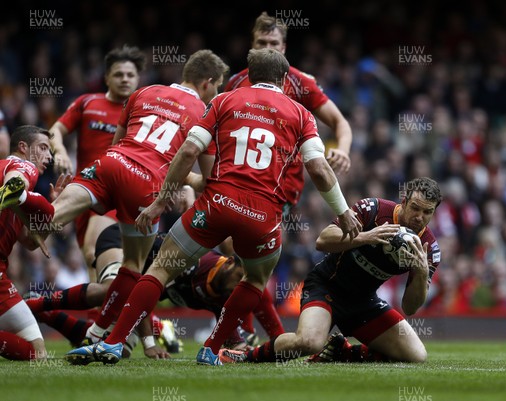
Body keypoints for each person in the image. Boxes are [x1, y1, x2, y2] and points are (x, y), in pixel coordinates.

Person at [64, 48, 361, 366]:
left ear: (248, 73)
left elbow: (189, 150)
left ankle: (112, 342)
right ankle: (211, 348)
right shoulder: (301, 114)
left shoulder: (224, 100)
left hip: (216, 204)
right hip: (262, 215)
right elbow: (318, 169)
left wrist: (161, 201)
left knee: (161, 269)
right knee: (253, 280)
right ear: (284, 78)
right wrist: (343, 213)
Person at [46, 49, 229, 347]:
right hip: (145, 186)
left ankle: (104, 330)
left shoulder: (143, 92)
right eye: (218, 86)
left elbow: (116, 145)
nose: (216, 93)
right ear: (208, 83)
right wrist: (179, 182)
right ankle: (104, 333)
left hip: (107, 167)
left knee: (46, 221)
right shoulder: (205, 113)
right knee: (134, 265)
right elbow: (207, 178)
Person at [221, 177, 442, 364]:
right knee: (309, 342)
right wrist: (366, 236)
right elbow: (322, 240)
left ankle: (344, 351)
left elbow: (410, 308)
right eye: (415, 208)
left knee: (417, 355)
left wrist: (421, 274)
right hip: (327, 286)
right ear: (403, 201)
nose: (419, 217)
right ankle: (245, 356)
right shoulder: (372, 210)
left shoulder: (429, 249)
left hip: (364, 302)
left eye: (427, 212)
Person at [28, 223, 284, 357]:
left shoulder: (225, 296)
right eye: (241, 276)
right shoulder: (193, 262)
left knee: (123, 352)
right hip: (124, 241)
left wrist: (245, 349)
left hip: (140, 287)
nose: (242, 285)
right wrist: (150, 343)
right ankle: (34, 305)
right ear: (229, 263)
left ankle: (44, 315)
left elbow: (233, 341)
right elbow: (138, 287)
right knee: (113, 288)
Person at [224, 11, 352, 207]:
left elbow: (339, 122)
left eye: (274, 43)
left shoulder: (300, 82)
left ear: (283, 48)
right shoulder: (235, 83)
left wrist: (342, 150)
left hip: (281, 187)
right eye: (261, 42)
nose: (268, 48)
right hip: (237, 178)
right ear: (252, 45)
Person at [49, 45, 146, 276]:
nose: (125, 79)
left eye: (130, 75)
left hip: (118, 193)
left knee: (96, 251)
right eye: (118, 74)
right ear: (106, 78)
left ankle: (124, 308)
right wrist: (60, 151)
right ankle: (104, 311)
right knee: (90, 259)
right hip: (83, 188)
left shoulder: (143, 111)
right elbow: (55, 130)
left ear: (138, 79)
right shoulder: (87, 103)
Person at [0, 125, 62, 360]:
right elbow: (16, 178)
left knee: (36, 353)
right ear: (23, 148)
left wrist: (51, 208)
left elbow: (29, 242)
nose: (48, 156)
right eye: (43, 148)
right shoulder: (21, 165)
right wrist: (21, 191)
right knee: (38, 353)